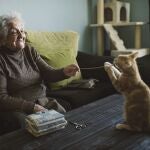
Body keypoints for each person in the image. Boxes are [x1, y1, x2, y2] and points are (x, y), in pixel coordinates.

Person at [0, 12, 79, 128]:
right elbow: (2, 98)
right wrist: (31, 107)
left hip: (42, 101)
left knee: (66, 125)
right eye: (14, 32)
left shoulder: (29, 50)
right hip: (18, 108)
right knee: (27, 126)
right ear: (3, 37)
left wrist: (63, 72)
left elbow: (48, 73)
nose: (21, 35)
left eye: (22, 30)